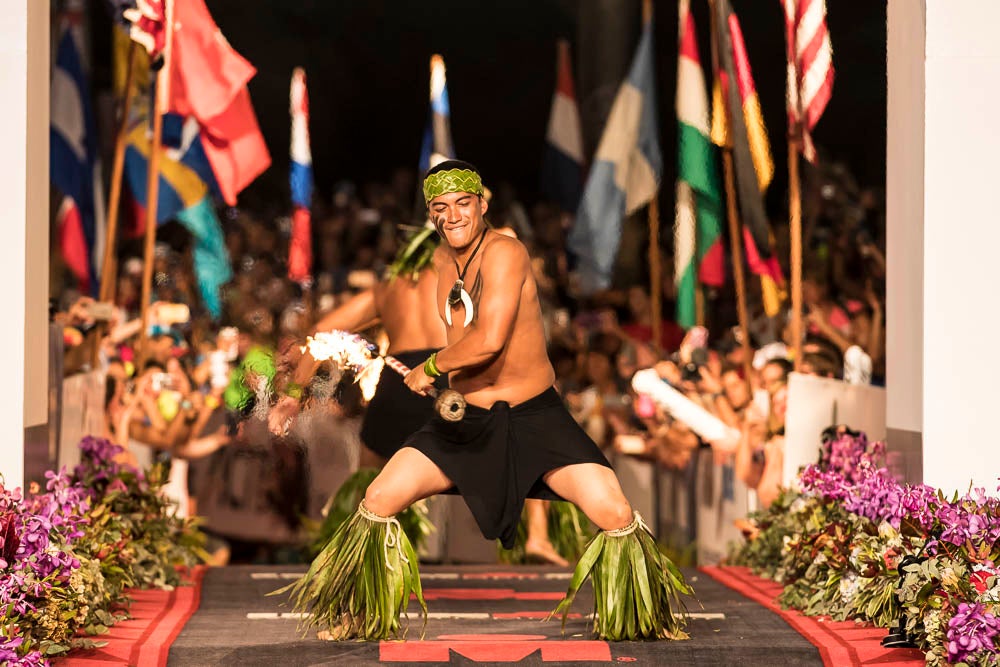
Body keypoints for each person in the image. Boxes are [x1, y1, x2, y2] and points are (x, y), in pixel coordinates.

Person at [282, 160, 692, 642]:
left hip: (534, 418)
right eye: (440, 208)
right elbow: (339, 332)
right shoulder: (441, 267)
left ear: (482, 203)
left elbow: (491, 339)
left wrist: (429, 367)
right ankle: (360, 616)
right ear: (431, 217)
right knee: (378, 497)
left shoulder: (506, 252)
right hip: (467, 420)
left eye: (461, 203)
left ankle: (639, 617)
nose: (452, 215)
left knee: (615, 513)